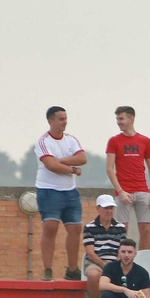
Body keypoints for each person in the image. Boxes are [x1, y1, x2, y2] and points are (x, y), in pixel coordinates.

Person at [34, 106, 88, 281]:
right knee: (50, 227)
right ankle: (48, 269)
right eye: (61, 119)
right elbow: (51, 165)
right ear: (51, 121)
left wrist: (62, 160)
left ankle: (72, 269)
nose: (64, 122)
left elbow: (82, 158)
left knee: (75, 227)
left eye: (65, 118)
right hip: (48, 190)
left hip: (69, 191)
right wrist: (72, 169)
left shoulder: (71, 140)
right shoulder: (43, 141)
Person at [104, 106, 150, 251]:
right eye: (117, 119)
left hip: (142, 189)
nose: (118, 122)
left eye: (121, 119)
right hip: (124, 191)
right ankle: (122, 259)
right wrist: (120, 191)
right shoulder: (114, 141)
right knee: (122, 230)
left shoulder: (144, 140)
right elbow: (109, 168)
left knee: (145, 228)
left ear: (131, 119)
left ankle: (143, 259)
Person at [81, 195, 128, 298]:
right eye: (106, 208)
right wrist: (105, 265)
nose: (109, 211)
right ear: (98, 209)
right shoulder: (89, 227)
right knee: (93, 275)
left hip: (115, 262)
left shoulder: (121, 227)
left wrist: (116, 263)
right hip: (96, 262)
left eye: (111, 208)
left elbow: (122, 249)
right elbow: (90, 253)